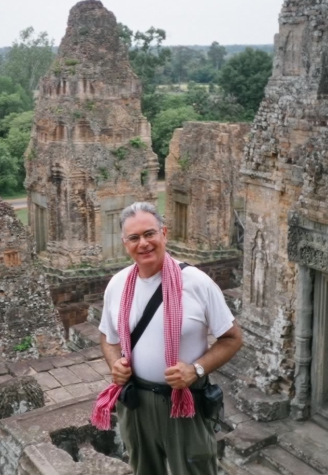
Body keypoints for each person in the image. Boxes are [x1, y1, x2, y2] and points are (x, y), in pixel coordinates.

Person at [94, 201, 243, 475]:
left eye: (150, 233)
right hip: (136, 401)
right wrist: (114, 364)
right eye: (134, 238)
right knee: (143, 468)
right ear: (125, 243)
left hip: (184, 401)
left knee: (194, 469)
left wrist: (195, 369)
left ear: (164, 233)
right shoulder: (117, 285)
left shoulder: (198, 284)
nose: (144, 244)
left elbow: (232, 338)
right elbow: (108, 337)